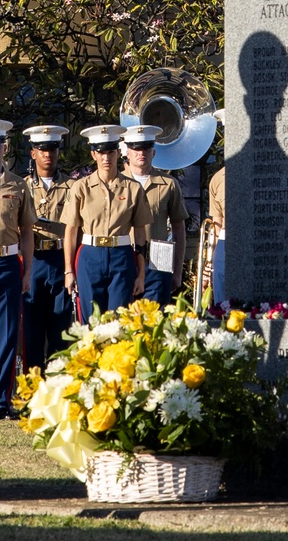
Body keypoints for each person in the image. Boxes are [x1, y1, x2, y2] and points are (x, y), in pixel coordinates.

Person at [62, 124, 151, 319]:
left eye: (110, 152)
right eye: (101, 152)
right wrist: (68, 270)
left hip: (122, 255)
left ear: (118, 154)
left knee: (118, 321)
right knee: (90, 321)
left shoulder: (133, 188)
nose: (106, 158)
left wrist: (141, 273)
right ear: (93, 155)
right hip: (90, 255)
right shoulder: (81, 187)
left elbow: (140, 232)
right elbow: (70, 231)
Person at [0, 121, 33, 419]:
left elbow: (27, 230)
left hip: (8, 264)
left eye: (0, 142)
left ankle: (0, 401)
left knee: (6, 334)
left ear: (5, 146)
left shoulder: (17, 184)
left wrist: (27, 272)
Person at [22, 124, 74, 369]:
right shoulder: (22, 187)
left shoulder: (73, 187)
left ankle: (59, 384)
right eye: (42, 149)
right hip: (34, 260)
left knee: (60, 327)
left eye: (53, 148)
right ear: (33, 153)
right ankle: (33, 387)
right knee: (32, 327)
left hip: (60, 258)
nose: (48, 154)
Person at [122, 125, 187, 306]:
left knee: (154, 321)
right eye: (135, 148)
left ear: (154, 152)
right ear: (127, 152)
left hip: (158, 258)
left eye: (146, 148)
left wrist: (177, 270)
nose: (141, 153)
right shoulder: (116, 184)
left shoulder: (168, 184)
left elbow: (178, 228)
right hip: (124, 257)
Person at [207, 108, 226, 304]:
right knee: (223, 304)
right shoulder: (218, 179)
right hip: (225, 244)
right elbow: (216, 223)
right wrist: (209, 261)